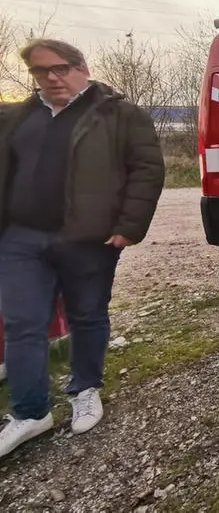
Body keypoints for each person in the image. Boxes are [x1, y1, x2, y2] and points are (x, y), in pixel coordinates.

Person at [0, 38, 165, 459]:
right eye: (41, 72)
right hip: (21, 239)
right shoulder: (18, 117)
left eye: (60, 68)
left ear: (82, 66)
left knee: (88, 316)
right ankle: (30, 412)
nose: (52, 78)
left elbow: (146, 170)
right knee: (23, 324)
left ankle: (85, 389)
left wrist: (129, 226)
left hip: (89, 239)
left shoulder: (120, 113)